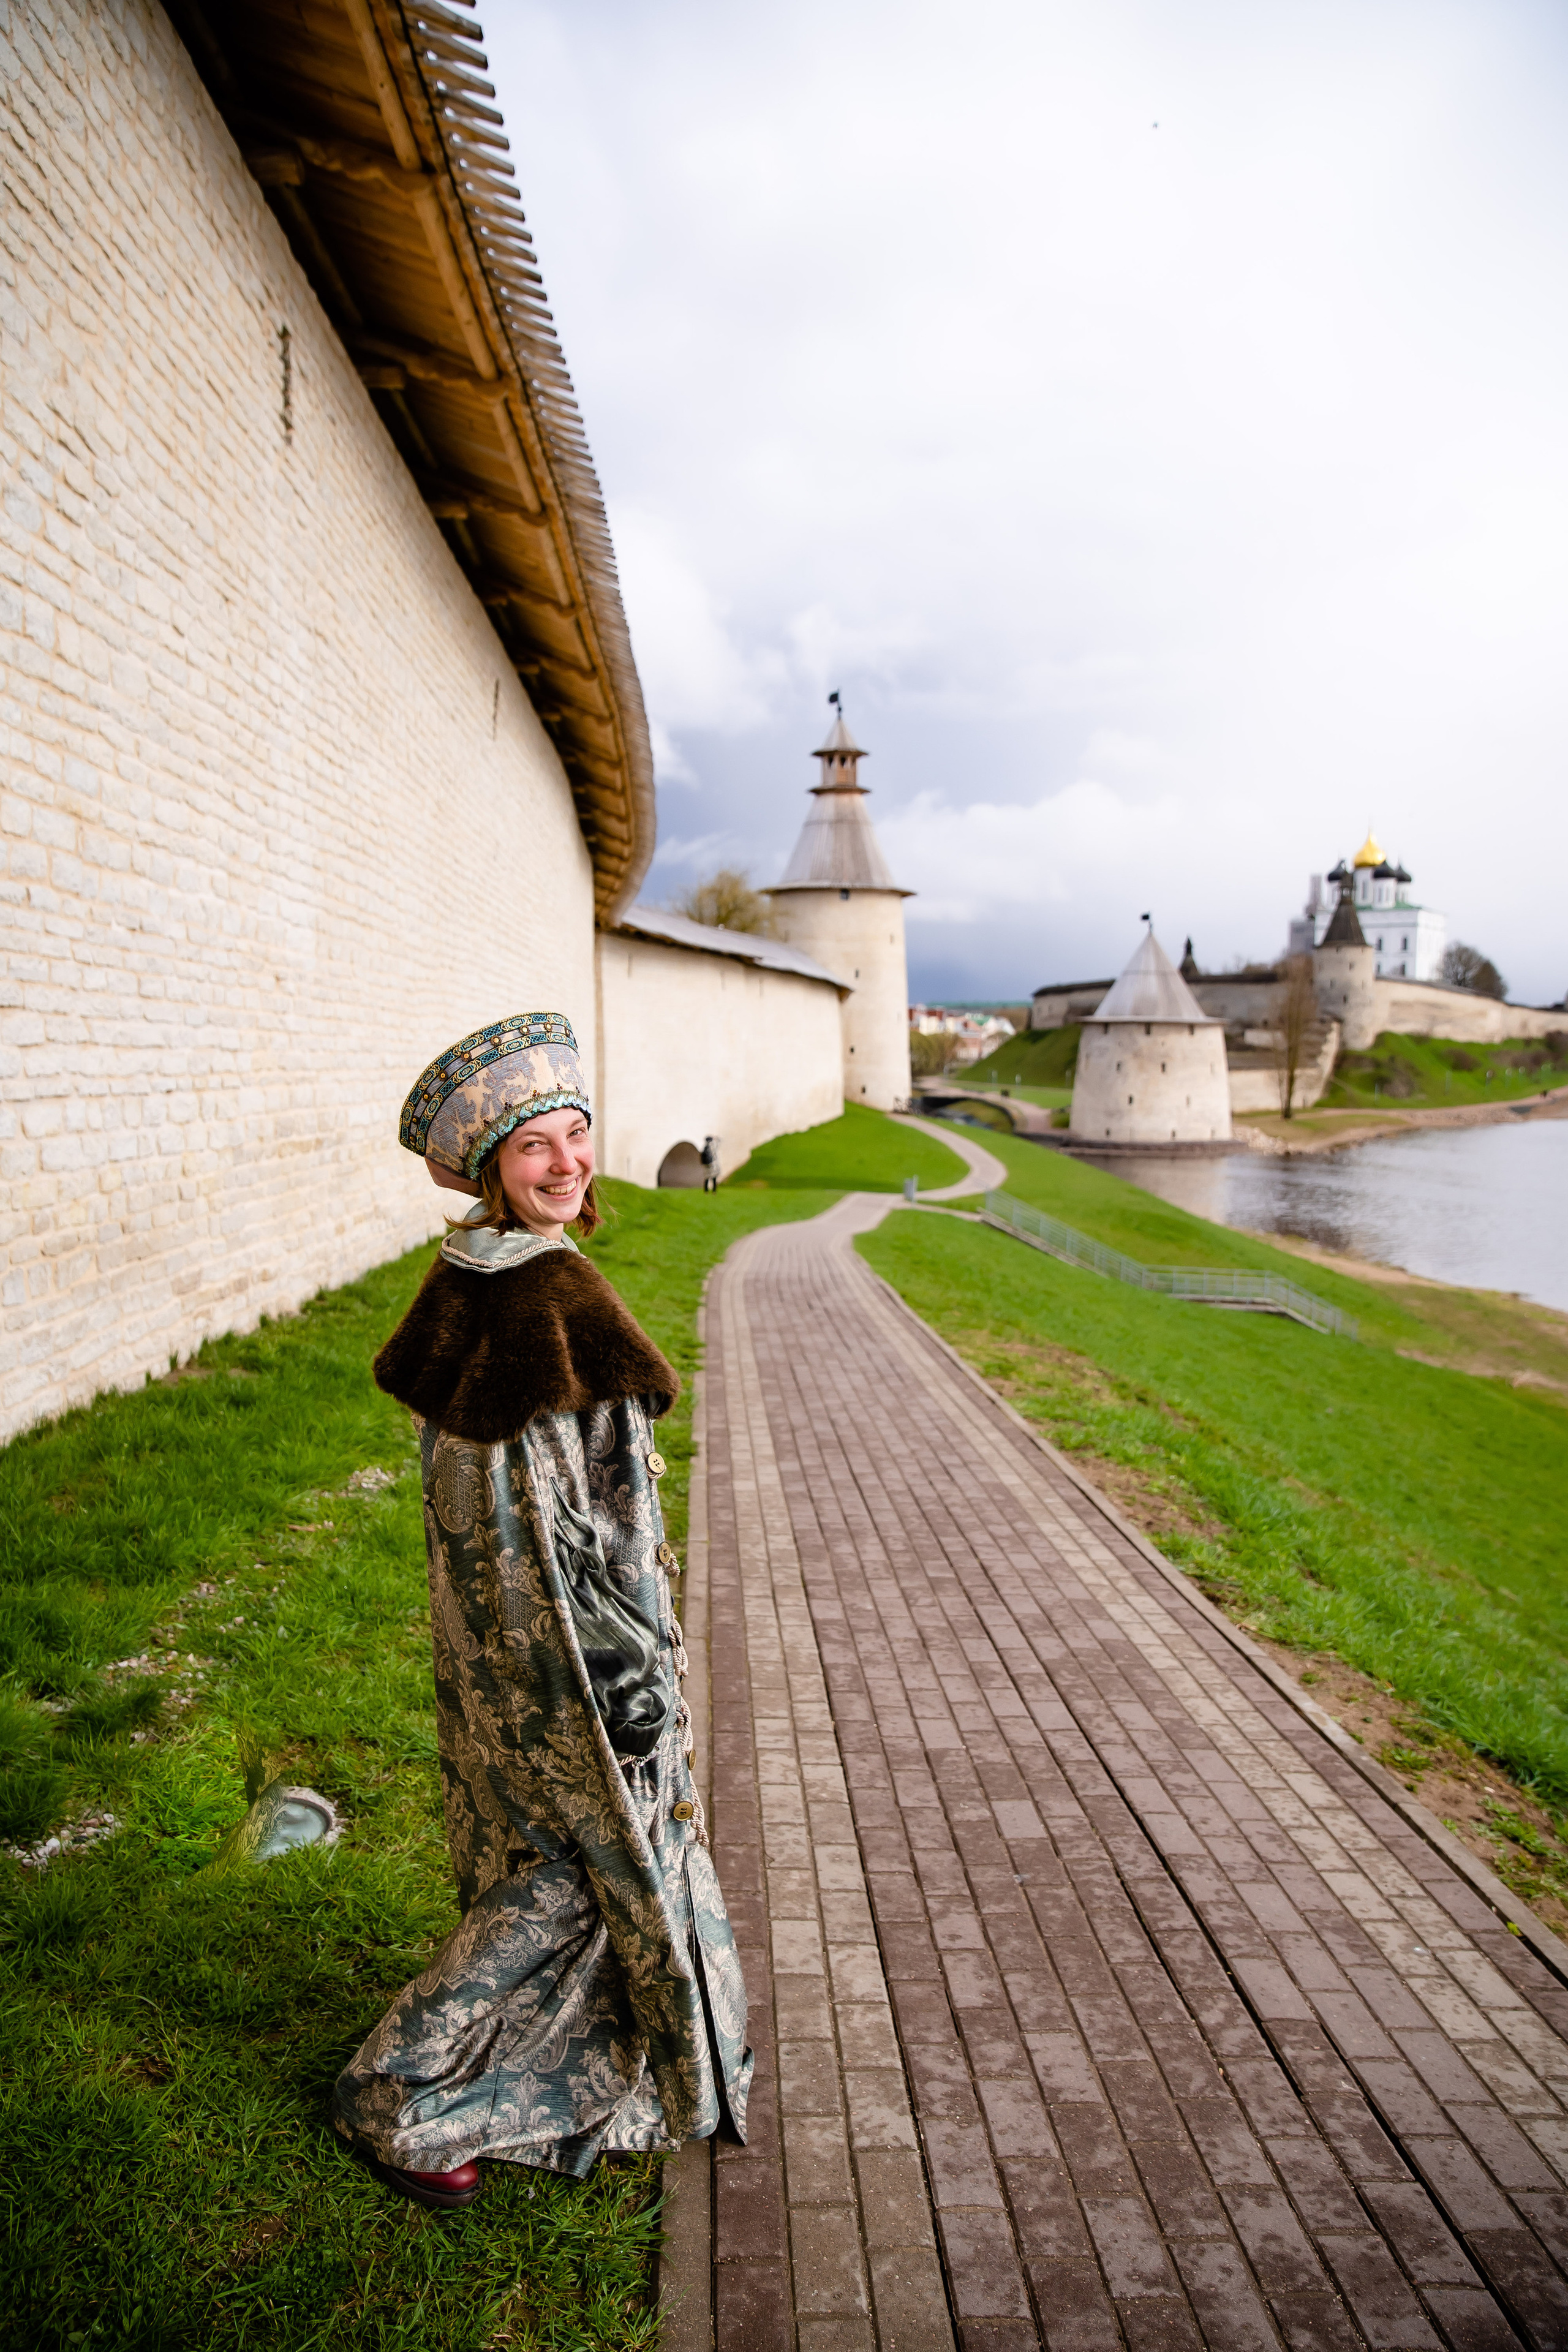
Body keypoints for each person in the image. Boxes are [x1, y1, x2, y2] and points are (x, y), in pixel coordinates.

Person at [333, 1012, 750, 2210]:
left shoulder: (468, 1271)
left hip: (491, 1653)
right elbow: (604, 1532)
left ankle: (543, 2056)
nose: (566, 1163)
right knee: (585, 1861)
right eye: (535, 1149)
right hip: (575, 1657)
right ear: (490, 1168)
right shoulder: (551, 1294)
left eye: (576, 1136)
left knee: (551, 1852)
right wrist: (639, 1683)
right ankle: (398, 2092)